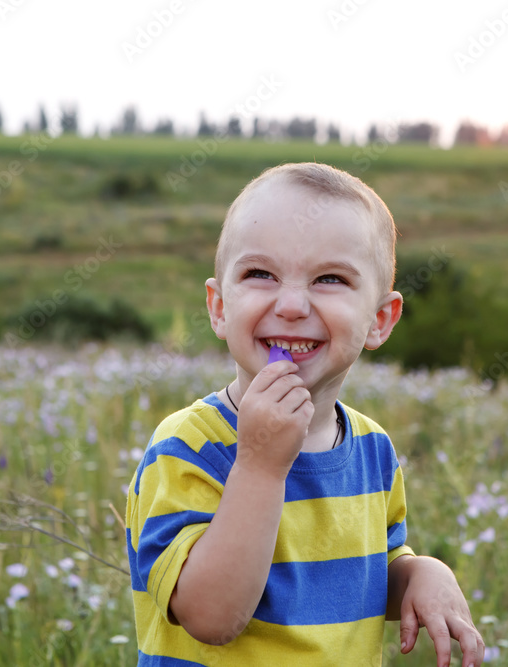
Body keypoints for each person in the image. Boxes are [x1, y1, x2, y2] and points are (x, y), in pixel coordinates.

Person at [126, 162, 484, 666]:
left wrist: (420, 573)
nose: (292, 304)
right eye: (260, 274)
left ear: (380, 319)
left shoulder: (371, 448)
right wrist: (259, 464)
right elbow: (210, 615)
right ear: (219, 306)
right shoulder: (189, 445)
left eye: (330, 279)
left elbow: (362, 575)